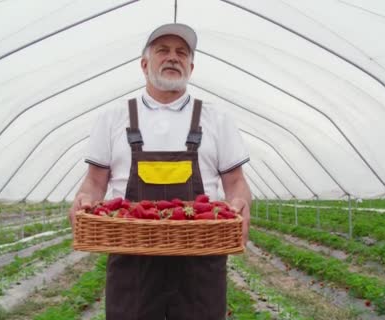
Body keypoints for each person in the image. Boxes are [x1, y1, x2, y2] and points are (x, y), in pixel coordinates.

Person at [69, 22, 251, 320]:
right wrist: (83, 200)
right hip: (132, 258)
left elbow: (236, 183)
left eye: (182, 52)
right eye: (162, 50)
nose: (173, 57)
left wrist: (240, 203)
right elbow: (94, 182)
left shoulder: (217, 119)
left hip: (200, 257)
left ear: (191, 67)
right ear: (144, 64)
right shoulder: (113, 118)